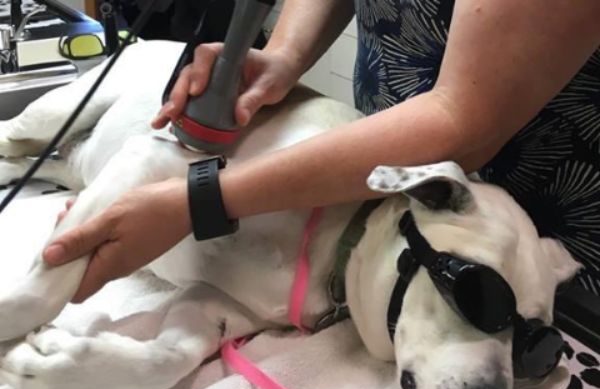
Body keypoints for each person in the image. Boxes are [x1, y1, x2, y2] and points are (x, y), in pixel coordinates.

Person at [43, 0, 600, 303]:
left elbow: (462, 123)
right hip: (386, 186)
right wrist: (283, 54)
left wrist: (200, 200)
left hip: (543, 247)